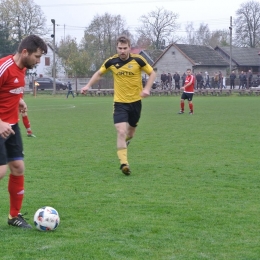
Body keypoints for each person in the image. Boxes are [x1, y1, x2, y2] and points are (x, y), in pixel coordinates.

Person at [81, 35, 156, 175]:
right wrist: (88, 85)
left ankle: (125, 144)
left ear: (129, 48)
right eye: (120, 48)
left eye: (125, 48)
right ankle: (124, 164)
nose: (122, 51)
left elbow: (152, 73)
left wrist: (147, 88)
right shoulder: (111, 62)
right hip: (120, 103)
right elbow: (98, 73)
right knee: (121, 131)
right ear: (117, 48)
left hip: (135, 103)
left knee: (130, 133)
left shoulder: (138, 60)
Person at [0, 35, 47, 228]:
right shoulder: (4, 67)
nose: (38, 61)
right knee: (1, 171)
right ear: (25, 52)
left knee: (18, 167)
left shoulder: (24, 69)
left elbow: (10, 90)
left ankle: (14, 216)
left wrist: (19, 100)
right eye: (37, 56)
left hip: (11, 126)